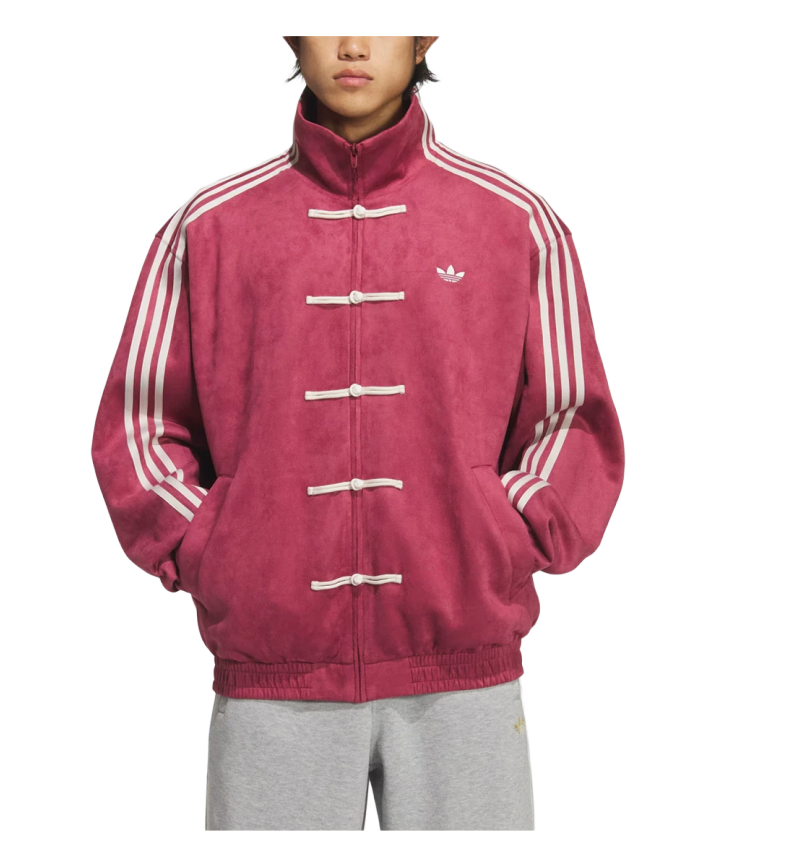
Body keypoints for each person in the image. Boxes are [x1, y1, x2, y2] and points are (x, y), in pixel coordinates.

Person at [91, 36, 625, 830]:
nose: (351, 42)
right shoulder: (208, 228)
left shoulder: (514, 221)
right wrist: (214, 544)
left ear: (424, 34)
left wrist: (505, 532)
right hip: (273, 672)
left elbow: (572, 417)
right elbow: (137, 425)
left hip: (464, 668)